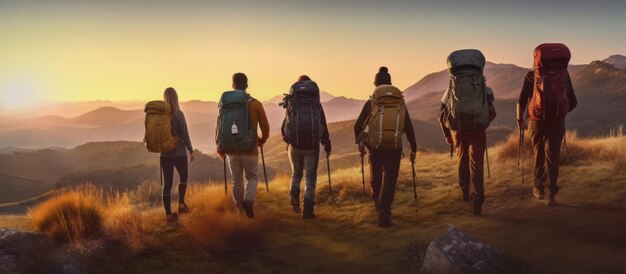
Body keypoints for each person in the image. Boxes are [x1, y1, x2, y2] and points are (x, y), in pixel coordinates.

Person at [354, 66, 417, 227]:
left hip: (375, 148)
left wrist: (361, 143)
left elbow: (357, 125)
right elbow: (408, 126)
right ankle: (385, 211)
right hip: (394, 147)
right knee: (390, 181)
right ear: (390, 83)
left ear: (375, 84)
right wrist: (414, 148)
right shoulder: (399, 102)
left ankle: (378, 204)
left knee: (376, 178)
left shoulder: (371, 102)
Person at [516, 43, 577, 205]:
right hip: (557, 121)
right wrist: (560, 113)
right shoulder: (564, 75)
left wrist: (520, 119)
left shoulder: (531, 75)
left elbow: (521, 100)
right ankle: (552, 194)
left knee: (538, 152)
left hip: (536, 121)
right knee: (553, 154)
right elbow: (573, 101)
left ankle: (538, 188)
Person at [438, 49, 496, 215]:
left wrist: (448, 135)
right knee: (476, 163)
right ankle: (478, 197)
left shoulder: (449, 91)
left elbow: (441, 116)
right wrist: (483, 123)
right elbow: (492, 112)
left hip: (459, 130)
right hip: (478, 129)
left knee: (462, 160)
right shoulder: (486, 90)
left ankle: (465, 192)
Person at [216, 72, 270, 218]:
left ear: (232, 85)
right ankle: (248, 200)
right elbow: (265, 127)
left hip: (231, 149)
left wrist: (220, 146)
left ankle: (239, 211)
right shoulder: (255, 104)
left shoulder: (224, 104)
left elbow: (219, 127)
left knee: (236, 181)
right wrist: (261, 140)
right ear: (246, 85)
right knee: (251, 177)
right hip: (249, 149)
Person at [280, 75, 331, 219]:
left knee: (296, 173)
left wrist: (289, 141)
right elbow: (323, 126)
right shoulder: (316, 104)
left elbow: (284, 126)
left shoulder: (292, 103)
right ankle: (308, 209)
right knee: (310, 176)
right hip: (311, 146)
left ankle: (293, 195)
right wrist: (327, 145)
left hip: (294, 146)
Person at [161, 87, 195, 223]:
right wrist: (191, 150)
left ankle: (168, 215)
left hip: (164, 155)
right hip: (179, 153)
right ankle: (181, 204)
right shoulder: (179, 114)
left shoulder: (160, 117)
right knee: (183, 177)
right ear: (176, 98)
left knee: (167, 184)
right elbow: (185, 135)